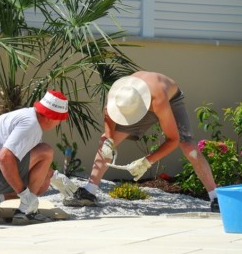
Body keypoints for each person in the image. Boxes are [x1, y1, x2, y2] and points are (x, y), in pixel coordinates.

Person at [63, 71, 220, 212]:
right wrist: (109, 142)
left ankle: (216, 198)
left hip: (169, 99)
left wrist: (146, 162)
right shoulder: (119, 94)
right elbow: (108, 117)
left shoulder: (158, 99)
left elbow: (173, 140)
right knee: (105, 140)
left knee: (189, 148)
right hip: (136, 102)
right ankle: (89, 192)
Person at [0, 90, 78, 225]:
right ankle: (26, 211)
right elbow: (5, 158)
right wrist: (24, 194)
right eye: (59, 119)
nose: (58, 124)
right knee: (45, 151)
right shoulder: (30, 124)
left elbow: (30, 164)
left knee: (41, 184)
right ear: (49, 116)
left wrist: (54, 177)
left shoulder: (29, 118)